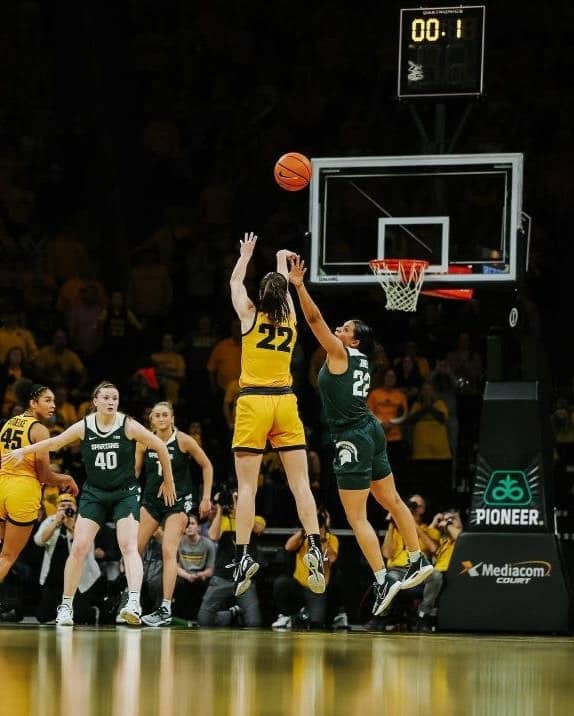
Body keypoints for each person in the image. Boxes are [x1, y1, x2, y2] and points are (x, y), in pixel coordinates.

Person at [288, 254, 433, 617]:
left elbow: (314, 319)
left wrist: (299, 285)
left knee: (357, 517)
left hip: (352, 436)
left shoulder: (340, 353)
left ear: (354, 339)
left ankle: (384, 577)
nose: (339, 327)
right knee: (394, 501)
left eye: (346, 326)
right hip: (372, 430)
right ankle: (416, 560)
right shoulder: (364, 360)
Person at [2, 380, 177, 626]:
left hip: (123, 493)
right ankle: (65, 606)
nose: (110, 402)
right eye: (105, 397)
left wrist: (168, 481)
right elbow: (55, 442)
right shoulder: (85, 426)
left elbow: (159, 445)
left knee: (128, 546)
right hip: (94, 493)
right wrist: (24, 451)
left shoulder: (127, 424)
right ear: (95, 401)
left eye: (114, 398)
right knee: (79, 547)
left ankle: (134, 603)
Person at [228, 233, 325, 597]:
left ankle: (242, 555)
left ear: (260, 296)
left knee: (248, 486)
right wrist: (282, 261)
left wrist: (246, 255)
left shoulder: (249, 315)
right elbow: (283, 292)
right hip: (285, 402)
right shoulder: (292, 322)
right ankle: (314, 544)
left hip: (254, 402)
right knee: (301, 484)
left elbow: (236, 282)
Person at [0, 381, 79, 611]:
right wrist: (67, 479)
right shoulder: (39, 429)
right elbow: (44, 475)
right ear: (33, 403)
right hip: (22, 492)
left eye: (54, 400)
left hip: (2, 486)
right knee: (7, 556)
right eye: (47, 400)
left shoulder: (7, 424)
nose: (53, 405)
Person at [135, 401, 213, 627]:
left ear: (172, 418)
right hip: (151, 500)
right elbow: (134, 473)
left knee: (168, 550)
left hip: (177, 502)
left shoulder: (184, 441)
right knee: (133, 549)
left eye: (165, 415)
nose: (161, 418)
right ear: (151, 420)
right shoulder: (144, 441)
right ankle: (131, 600)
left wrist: (206, 497)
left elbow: (207, 466)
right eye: (157, 415)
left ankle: (165, 608)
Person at [34, 493, 102, 624]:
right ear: (57, 508)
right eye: (62, 506)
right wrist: (56, 523)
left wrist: (71, 526)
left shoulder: (83, 522)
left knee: (80, 616)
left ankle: (91, 610)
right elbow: (39, 541)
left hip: (79, 578)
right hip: (54, 576)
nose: (66, 508)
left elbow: (87, 548)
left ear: (76, 507)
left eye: (69, 505)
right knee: (43, 616)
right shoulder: (50, 521)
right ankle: (60, 609)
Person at [271, 507, 339, 630]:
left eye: (320, 519)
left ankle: (306, 613)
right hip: (298, 585)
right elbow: (288, 547)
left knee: (316, 624)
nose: (317, 521)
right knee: (281, 583)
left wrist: (322, 537)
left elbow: (332, 558)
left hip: (316, 589)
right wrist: (305, 529)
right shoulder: (304, 535)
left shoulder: (331, 539)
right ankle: (286, 615)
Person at [413, 508, 464, 632]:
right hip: (435, 573)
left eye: (452, 519)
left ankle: (424, 614)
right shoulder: (441, 539)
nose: (448, 522)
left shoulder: (462, 536)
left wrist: (447, 524)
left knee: (437, 577)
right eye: (445, 520)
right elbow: (425, 543)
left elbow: (460, 536)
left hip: (453, 574)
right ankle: (425, 614)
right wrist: (435, 522)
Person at [173, 513, 216, 623]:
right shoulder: (178, 542)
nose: (189, 527)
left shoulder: (208, 544)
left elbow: (210, 570)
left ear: (199, 527)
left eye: (192, 524)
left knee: (206, 585)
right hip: (184, 575)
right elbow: (174, 566)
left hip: (201, 576)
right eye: (187, 524)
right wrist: (187, 576)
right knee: (178, 584)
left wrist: (201, 575)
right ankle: (181, 618)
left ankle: (199, 618)